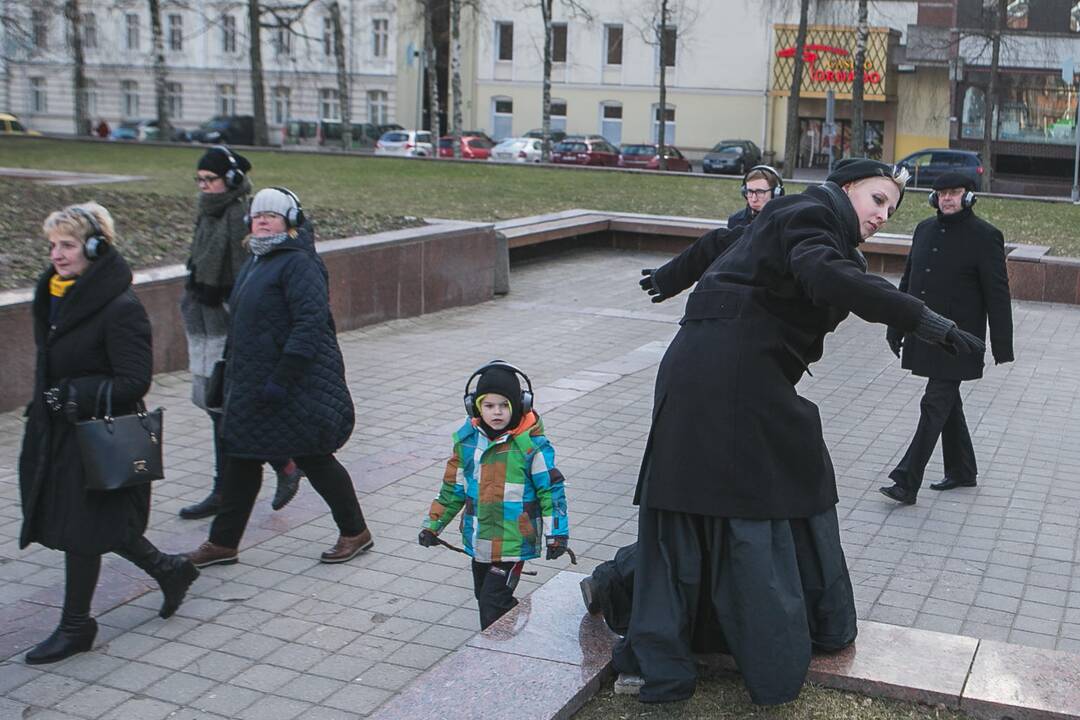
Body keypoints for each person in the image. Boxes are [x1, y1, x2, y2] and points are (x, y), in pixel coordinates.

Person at [611, 159, 985, 706]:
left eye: (892, 209)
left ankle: (628, 587)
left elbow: (727, 242)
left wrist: (670, 279)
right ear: (847, 188)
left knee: (708, 490)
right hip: (729, 370)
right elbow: (824, 274)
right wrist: (926, 321)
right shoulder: (811, 212)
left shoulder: (803, 221)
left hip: (717, 367)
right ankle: (754, 635)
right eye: (878, 200)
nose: (883, 216)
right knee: (754, 488)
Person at [18, 203, 199, 665]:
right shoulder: (55, 293)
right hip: (59, 432)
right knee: (99, 522)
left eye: (69, 245)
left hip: (95, 433)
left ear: (96, 248)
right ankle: (170, 570)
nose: (57, 255)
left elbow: (134, 381)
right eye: (53, 245)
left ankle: (77, 626)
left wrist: (73, 395)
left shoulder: (119, 306)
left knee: (82, 529)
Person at [183, 187, 373, 568]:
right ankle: (223, 543)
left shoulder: (298, 262)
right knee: (241, 459)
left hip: (291, 385)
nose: (263, 220)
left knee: (315, 458)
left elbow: (309, 325)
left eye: (272, 215)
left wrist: (283, 379)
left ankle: (355, 531)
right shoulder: (257, 260)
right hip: (253, 382)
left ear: (290, 221)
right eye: (257, 215)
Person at [179, 145, 303, 520]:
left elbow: (246, 278)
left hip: (228, 330)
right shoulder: (208, 213)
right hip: (202, 325)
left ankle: (274, 468)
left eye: (211, 180)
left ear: (230, 180)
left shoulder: (238, 216)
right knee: (212, 406)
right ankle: (271, 469)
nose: (204, 187)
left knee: (227, 411)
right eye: (200, 180)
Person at [880, 172, 1013, 505]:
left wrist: (1002, 344)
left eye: (954, 193)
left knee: (934, 402)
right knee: (947, 404)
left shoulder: (985, 236)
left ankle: (906, 481)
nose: (947, 199)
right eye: (941, 194)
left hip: (959, 342)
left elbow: (997, 294)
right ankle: (962, 469)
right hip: (925, 335)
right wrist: (896, 326)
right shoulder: (924, 230)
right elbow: (908, 282)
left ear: (968, 196)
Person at [418, 362, 571, 630]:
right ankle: (516, 632)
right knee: (485, 599)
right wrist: (433, 525)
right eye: (489, 406)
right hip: (480, 539)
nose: (497, 412)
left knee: (492, 602)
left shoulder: (531, 446)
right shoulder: (467, 443)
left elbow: (550, 490)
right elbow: (453, 489)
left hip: (513, 541)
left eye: (504, 405)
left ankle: (499, 654)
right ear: (475, 406)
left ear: (519, 405)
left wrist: (556, 533)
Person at [727, 164, 784, 229]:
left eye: (760, 192)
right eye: (750, 191)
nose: (754, 199)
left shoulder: (785, 223)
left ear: (775, 194)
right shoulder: (734, 220)